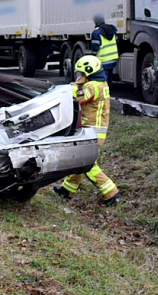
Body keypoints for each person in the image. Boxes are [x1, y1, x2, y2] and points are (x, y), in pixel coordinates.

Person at [53, 55, 120, 206]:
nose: (80, 76)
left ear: (89, 72)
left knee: (88, 165)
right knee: (78, 161)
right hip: (94, 131)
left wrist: (75, 84)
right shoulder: (101, 83)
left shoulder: (91, 87)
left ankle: (111, 193)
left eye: (82, 73)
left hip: (91, 132)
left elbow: (75, 98)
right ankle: (67, 190)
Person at [91, 14, 118, 87]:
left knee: (103, 81)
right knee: (109, 80)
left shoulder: (96, 33)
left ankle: (105, 92)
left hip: (102, 61)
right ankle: (108, 91)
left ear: (95, 22)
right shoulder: (112, 29)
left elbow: (95, 48)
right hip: (112, 59)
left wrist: (92, 58)